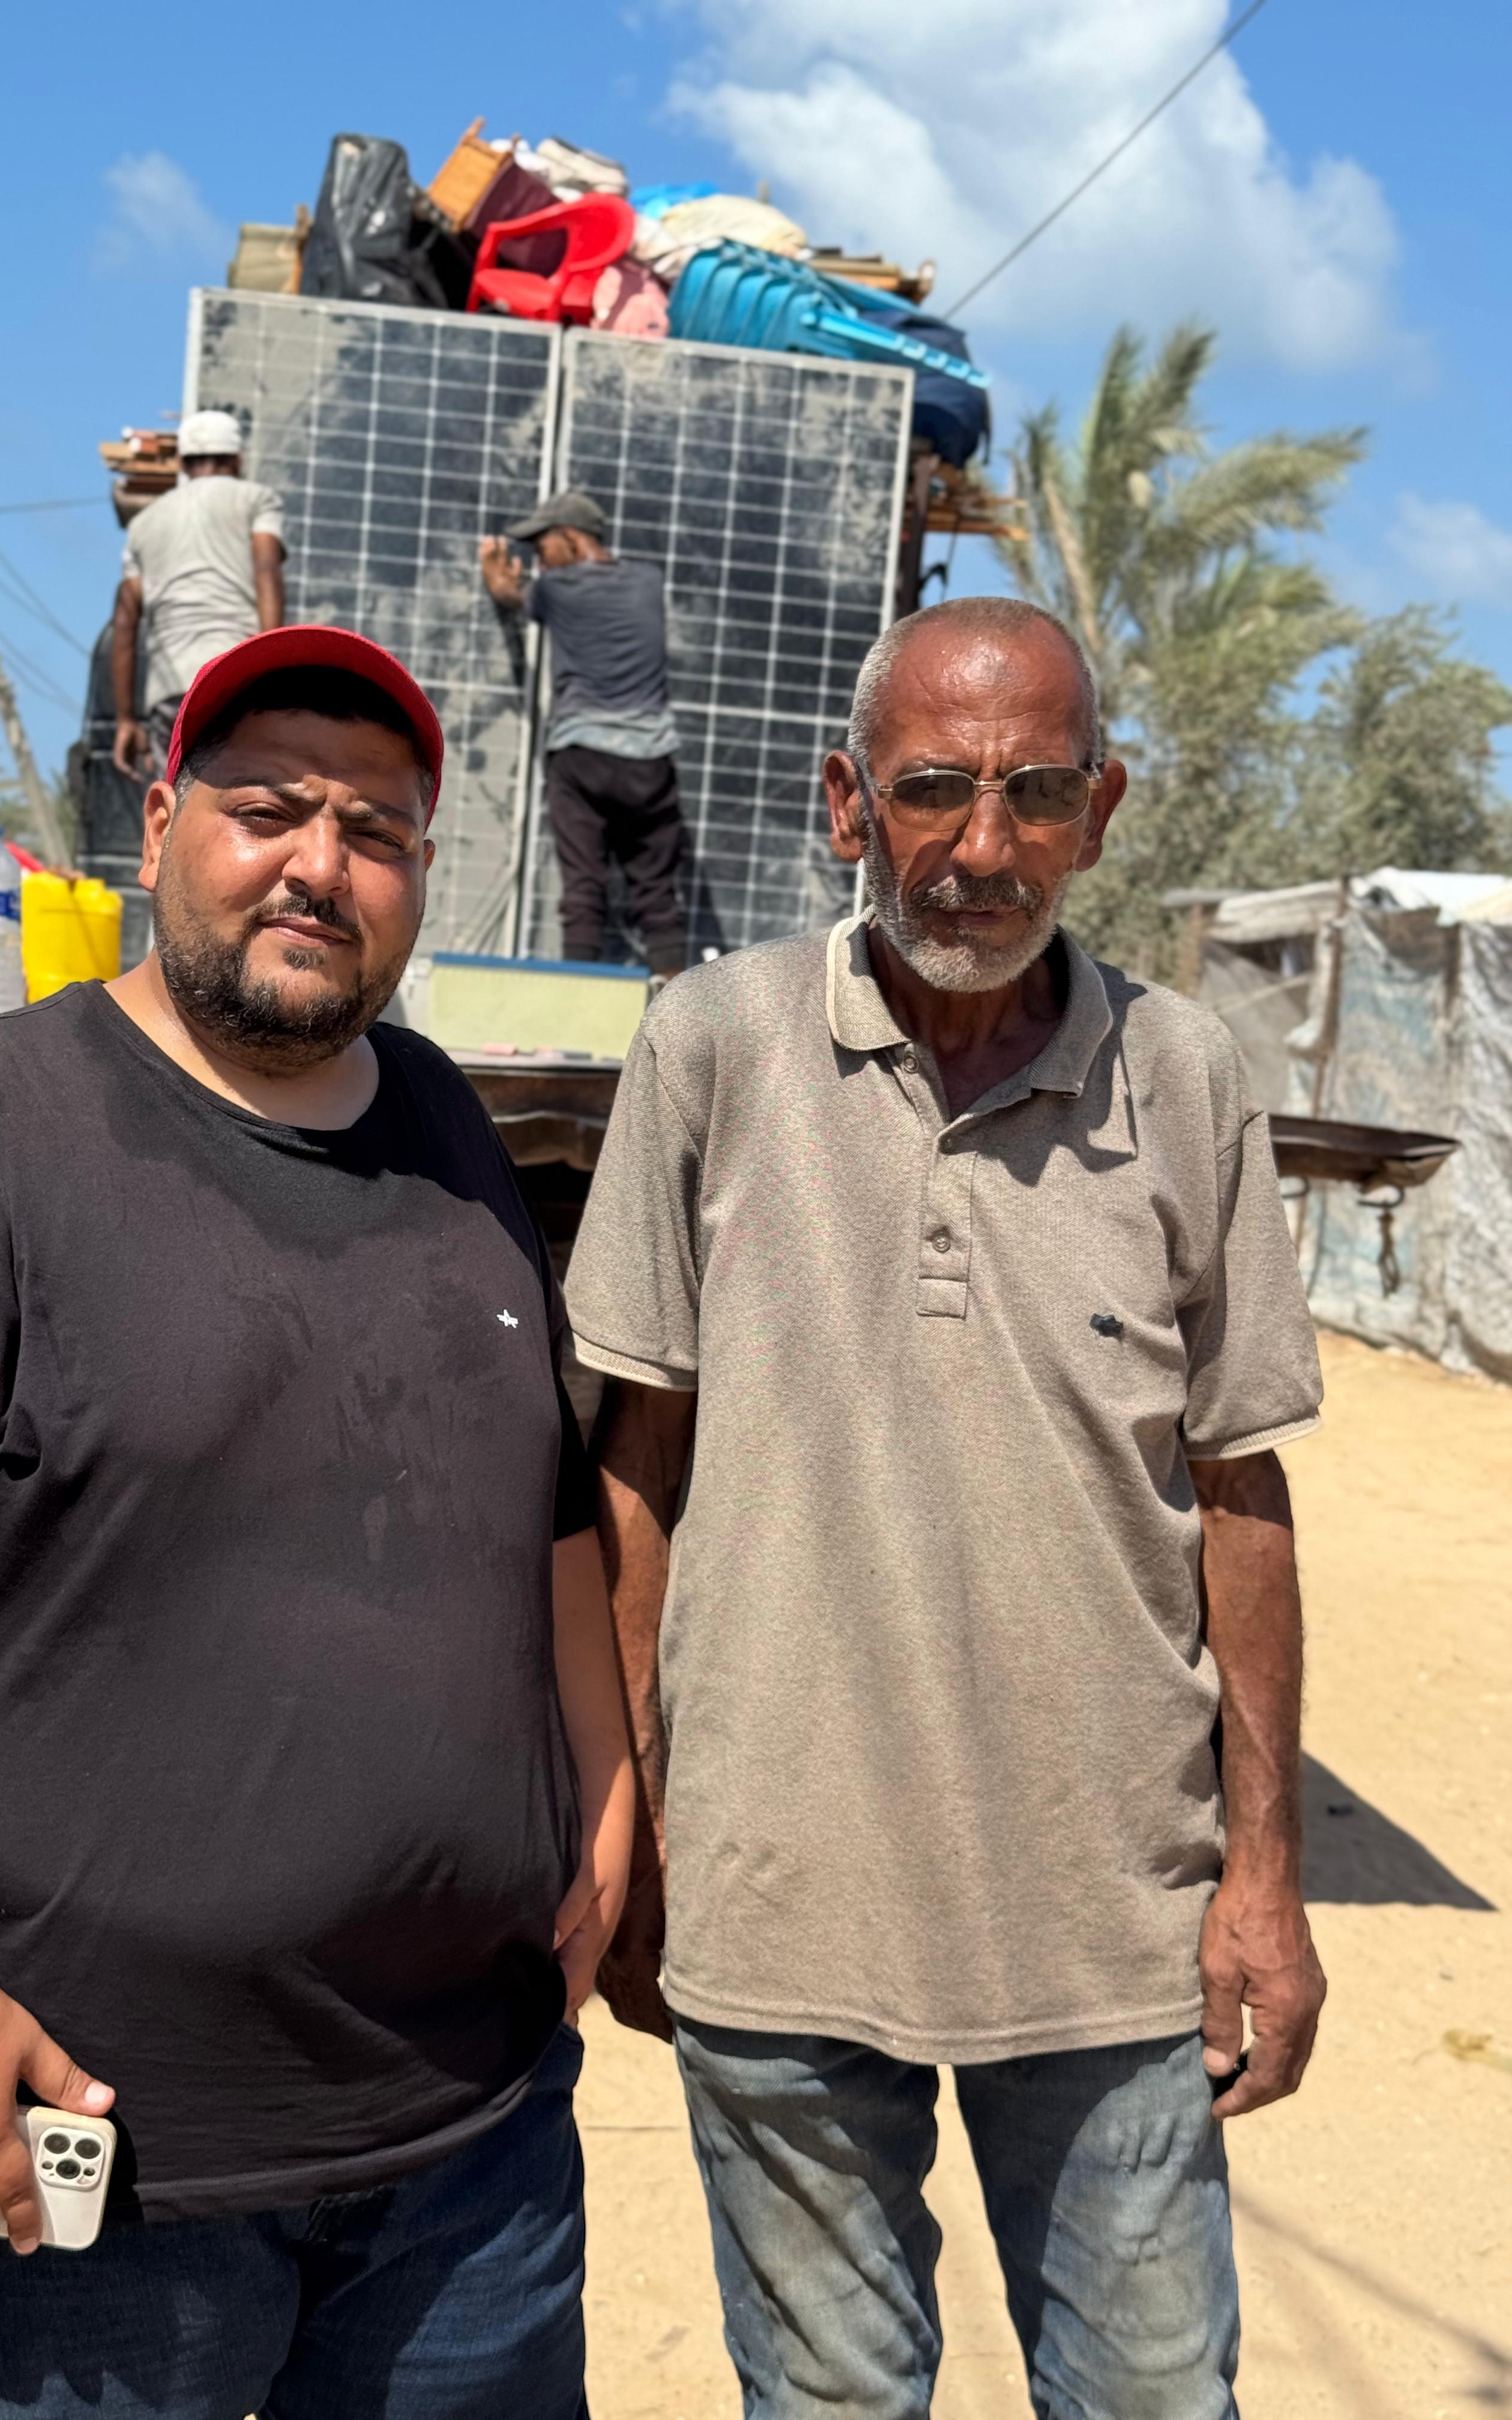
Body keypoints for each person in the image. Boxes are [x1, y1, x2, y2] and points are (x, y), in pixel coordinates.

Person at [0, 624, 633, 2420]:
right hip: (87, 2171)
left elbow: (541, 1490)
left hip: (472, 2150)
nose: (320, 865)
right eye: (269, 809)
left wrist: (604, 1787)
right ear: (159, 823)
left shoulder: (447, 1126)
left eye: (376, 832)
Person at [567, 594, 1328, 2419]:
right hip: (778, 1908)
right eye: (933, 789)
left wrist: (1267, 1879)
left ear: (1100, 812)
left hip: (1114, 1924)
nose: (985, 849)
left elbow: (1241, 1488)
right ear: (849, 801)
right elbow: (637, 1471)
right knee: (829, 2403)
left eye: (1037, 793)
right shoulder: (713, 1045)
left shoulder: (1186, 1077)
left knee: (1154, 2398)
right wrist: (637, 1828)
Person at [479, 490, 688, 977]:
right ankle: (679, 1005)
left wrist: (496, 574)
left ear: (572, 539)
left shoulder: (555, 590)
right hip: (650, 760)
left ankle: (578, 1005)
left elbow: (511, 596)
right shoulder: (648, 581)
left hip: (581, 758)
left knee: (583, 890)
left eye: (543, 548)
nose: (539, 560)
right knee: (658, 895)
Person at [112, 409, 287, 783]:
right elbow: (267, 571)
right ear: (237, 458)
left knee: (177, 796)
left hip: (169, 690)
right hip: (236, 676)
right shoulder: (255, 500)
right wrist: (271, 669)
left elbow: (125, 622)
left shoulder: (143, 524)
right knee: (243, 793)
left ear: (182, 461)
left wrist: (126, 719)